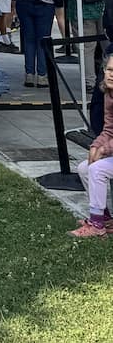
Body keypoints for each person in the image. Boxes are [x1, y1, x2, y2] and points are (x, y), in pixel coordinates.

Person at [71, 51, 113, 238]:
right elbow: (109, 128)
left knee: (98, 170)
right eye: (109, 69)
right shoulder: (108, 93)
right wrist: (95, 146)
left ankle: (96, 225)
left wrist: (105, 149)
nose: (111, 74)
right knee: (85, 167)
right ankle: (104, 218)